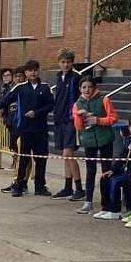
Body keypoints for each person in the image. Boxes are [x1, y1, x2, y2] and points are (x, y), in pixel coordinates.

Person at [73, 75, 119, 217]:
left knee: (106, 170)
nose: (87, 90)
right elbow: (78, 126)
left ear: (94, 87)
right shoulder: (77, 104)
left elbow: (113, 118)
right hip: (89, 140)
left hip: (105, 139)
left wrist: (98, 120)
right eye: (84, 87)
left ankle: (107, 203)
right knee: (90, 170)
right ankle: (88, 201)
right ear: (80, 88)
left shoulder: (103, 99)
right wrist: (79, 117)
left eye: (89, 87)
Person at [6, 60, 54, 196]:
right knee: (23, 159)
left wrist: (36, 112)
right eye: (30, 70)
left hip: (40, 129)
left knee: (41, 158)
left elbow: (51, 105)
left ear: (38, 71)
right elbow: (5, 100)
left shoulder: (45, 87)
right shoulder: (20, 88)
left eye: (35, 69)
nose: (33, 72)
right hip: (25, 130)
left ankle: (40, 185)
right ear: (26, 73)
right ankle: (19, 185)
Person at [51, 50, 84, 200]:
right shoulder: (59, 77)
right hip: (60, 118)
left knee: (68, 153)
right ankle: (67, 186)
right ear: (59, 62)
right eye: (63, 62)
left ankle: (79, 187)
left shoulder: (76, 77)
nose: (66, 64)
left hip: (71, 119)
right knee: (64, 155)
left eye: (68, 62)